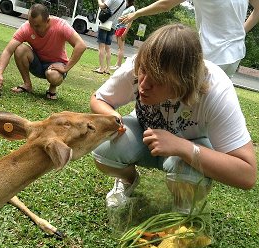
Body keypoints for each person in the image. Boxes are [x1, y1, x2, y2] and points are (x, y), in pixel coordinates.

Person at [90, 24, 257, 208]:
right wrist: (114, 117)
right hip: (144, 133)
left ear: (183, 81)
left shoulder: (216, 90)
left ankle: (182, 203)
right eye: (143, 71)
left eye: (158, 80)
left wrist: (183, 148)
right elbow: (99, 99)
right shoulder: (140, 64)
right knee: (104, 147)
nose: (143, 85)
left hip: (193, 143)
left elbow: (247, 174)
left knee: (187, 176)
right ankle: (128, 181)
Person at [119, 0, 259, 78]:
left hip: (213, 54)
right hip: (235, 53)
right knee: (214, 101)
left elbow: (165, 5)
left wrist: (137, 13)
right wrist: (241, 32)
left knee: (190, 99)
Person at [0, 3, 86, 100]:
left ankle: (52, 88)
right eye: (31, 24)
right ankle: (27, 84)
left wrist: (66, 68)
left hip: (56, 66)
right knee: (20, 49)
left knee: (52, 75)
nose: (33, 28)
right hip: (38, 63)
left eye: (37, 26)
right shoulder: (26, 28)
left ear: (48, 21)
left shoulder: (60, 25)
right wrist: (0, 74)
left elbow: (81, 45)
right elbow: (8, 50)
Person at [92, 0, 126, 75]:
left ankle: (101, 68)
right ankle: (107, 69)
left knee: (101, 46)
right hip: (113, 26)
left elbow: (102, 6)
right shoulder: (124, 2)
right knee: (108, 47)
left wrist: (99, 1)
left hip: (105, 24)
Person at [110, 0, 135, 70]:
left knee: (121, 48)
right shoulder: (126, 7)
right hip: (119, 27)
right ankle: (117, 64)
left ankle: (118, 65)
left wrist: (125, 32)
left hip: (123, 28)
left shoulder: (132, 8)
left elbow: (130, 22)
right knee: (119, 48)